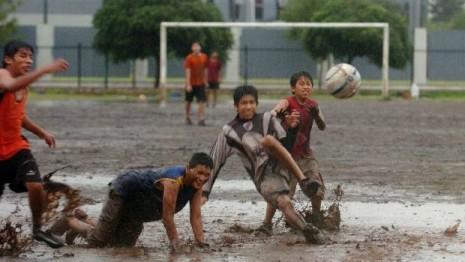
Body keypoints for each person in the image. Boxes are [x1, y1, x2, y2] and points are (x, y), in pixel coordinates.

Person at [202, 85, 323, 243]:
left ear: (256, 104)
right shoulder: (229, 131)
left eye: (252, 102)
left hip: (284, 166)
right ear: (236, 106)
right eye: (244, 103)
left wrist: (292, 129)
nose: (248, 106)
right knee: (284, 202)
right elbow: (215, 160)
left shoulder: (267, 118)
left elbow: (286, 146)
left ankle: (304, 184)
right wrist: (205, 192)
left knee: (269, 140)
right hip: (264, 176)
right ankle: (309, 231)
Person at [49, 152, 213, 252]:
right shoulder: (173, 180)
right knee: (98, 242)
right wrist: (175, 245)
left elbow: (196, 217)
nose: (202, 178)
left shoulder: (196, 187)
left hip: (137, 208)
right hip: (123, 191)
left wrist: (201, 243)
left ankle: (84, 220)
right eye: (199, 172)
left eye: (207, 175)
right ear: (188, 168)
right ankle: (69, 220)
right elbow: (167, 217)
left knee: (121, 246)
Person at [0, 40, 69, 248]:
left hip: (16, 148)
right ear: (7, 59)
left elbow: (18, 116)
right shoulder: (3, 75)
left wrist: (41, 132)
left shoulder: (24, 85)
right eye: (23, 56)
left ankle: (38, 229)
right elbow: (9, 86)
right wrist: (46, 69)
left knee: (36, 185)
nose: (28, 60)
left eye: (31, 56)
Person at [261, 71, 327, 234]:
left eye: (308, 84)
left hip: (305, 155)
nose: (306, 87)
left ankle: (316, 217)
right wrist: (279, 115)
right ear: (293, 88)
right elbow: (274, 112)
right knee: (282, 192)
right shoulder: (288, 102)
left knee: (317, 187)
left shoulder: (313, 105)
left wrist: (316, 115)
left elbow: (322, 125)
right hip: (286, 156)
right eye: (301, 83)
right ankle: (267, 224)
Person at [184, 42, 208, 126]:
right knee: (188, 101)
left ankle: (201, 118)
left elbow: (205, 69)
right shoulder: (189, 58)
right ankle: (187, 117)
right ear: (192, 48)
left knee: (202, 101)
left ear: (200, 48)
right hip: (191, 82)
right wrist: (188, 84)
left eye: (197, 46)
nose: (196, 48)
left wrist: (205, 80)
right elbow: (187, 71)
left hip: (200, 83)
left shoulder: (204, 57)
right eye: (194, 47)